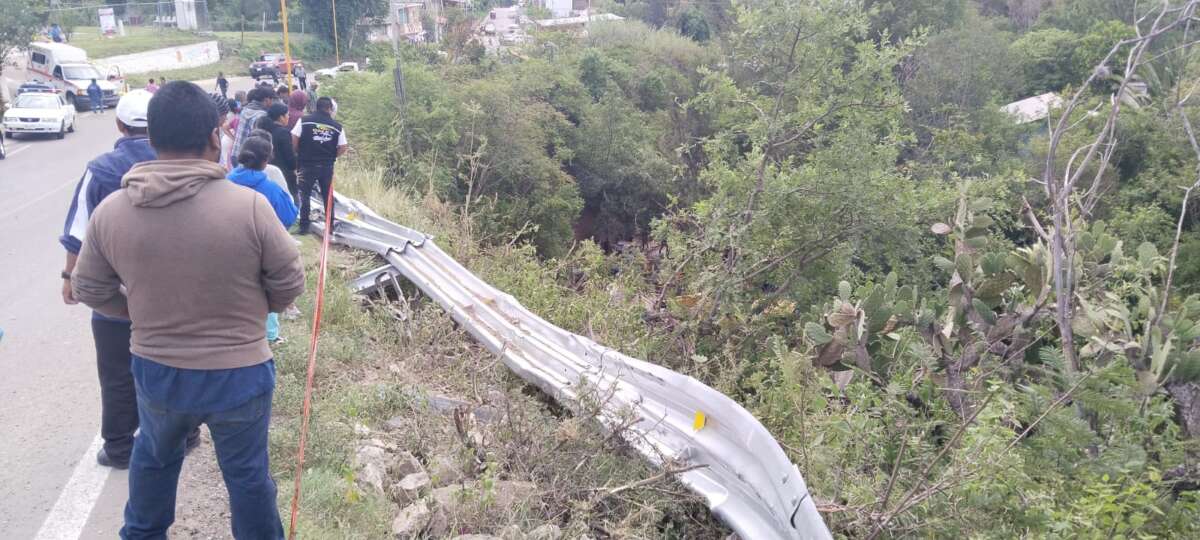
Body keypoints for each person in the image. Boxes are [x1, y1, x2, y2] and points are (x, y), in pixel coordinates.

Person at [71, 81, 305, 539]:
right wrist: (253, 312)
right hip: (240, 372)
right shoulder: (250, 207)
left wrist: (137, 312)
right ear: (216, 137)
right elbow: (289, 283)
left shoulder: (113, 211)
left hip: (158, 369)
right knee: (248, 478)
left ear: (152, 139)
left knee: (154, 461)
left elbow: (88, 287)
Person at [59, 89, 201, 469]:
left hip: (113, 297)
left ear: (119, 124)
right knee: (177, 364)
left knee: (117, 373)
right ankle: (185, 435)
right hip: (173, 294)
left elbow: (79, 230)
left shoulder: (101, 169)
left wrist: (69, 277)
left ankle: (120, 448)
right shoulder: (180, 163)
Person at [293, 96, 347, 235]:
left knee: (304, 195)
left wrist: (300, 151)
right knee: (327, 196)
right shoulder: (337, 127)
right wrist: (332, 156)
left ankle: (304, 226)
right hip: (326, 166)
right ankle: (329, 227)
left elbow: (294, 138)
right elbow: (343, 147)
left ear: (316, 107)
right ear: (330, 109)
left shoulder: (304, 121)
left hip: (306, 165)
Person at [258, 104, 298, 204]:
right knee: (290, 202)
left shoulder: (263, 129)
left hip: (264, 171)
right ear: (281, 117)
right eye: (287, 115)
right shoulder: (283, 133)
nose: (289, 117)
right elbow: (290, 159)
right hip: (283, 174)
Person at [231, 87, 274, 167]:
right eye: (272, 100)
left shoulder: (245, 109)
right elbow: (259, 140)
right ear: (267, 100)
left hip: (235, 153)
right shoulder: (261, 116)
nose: (272, 102)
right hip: (247, 158)